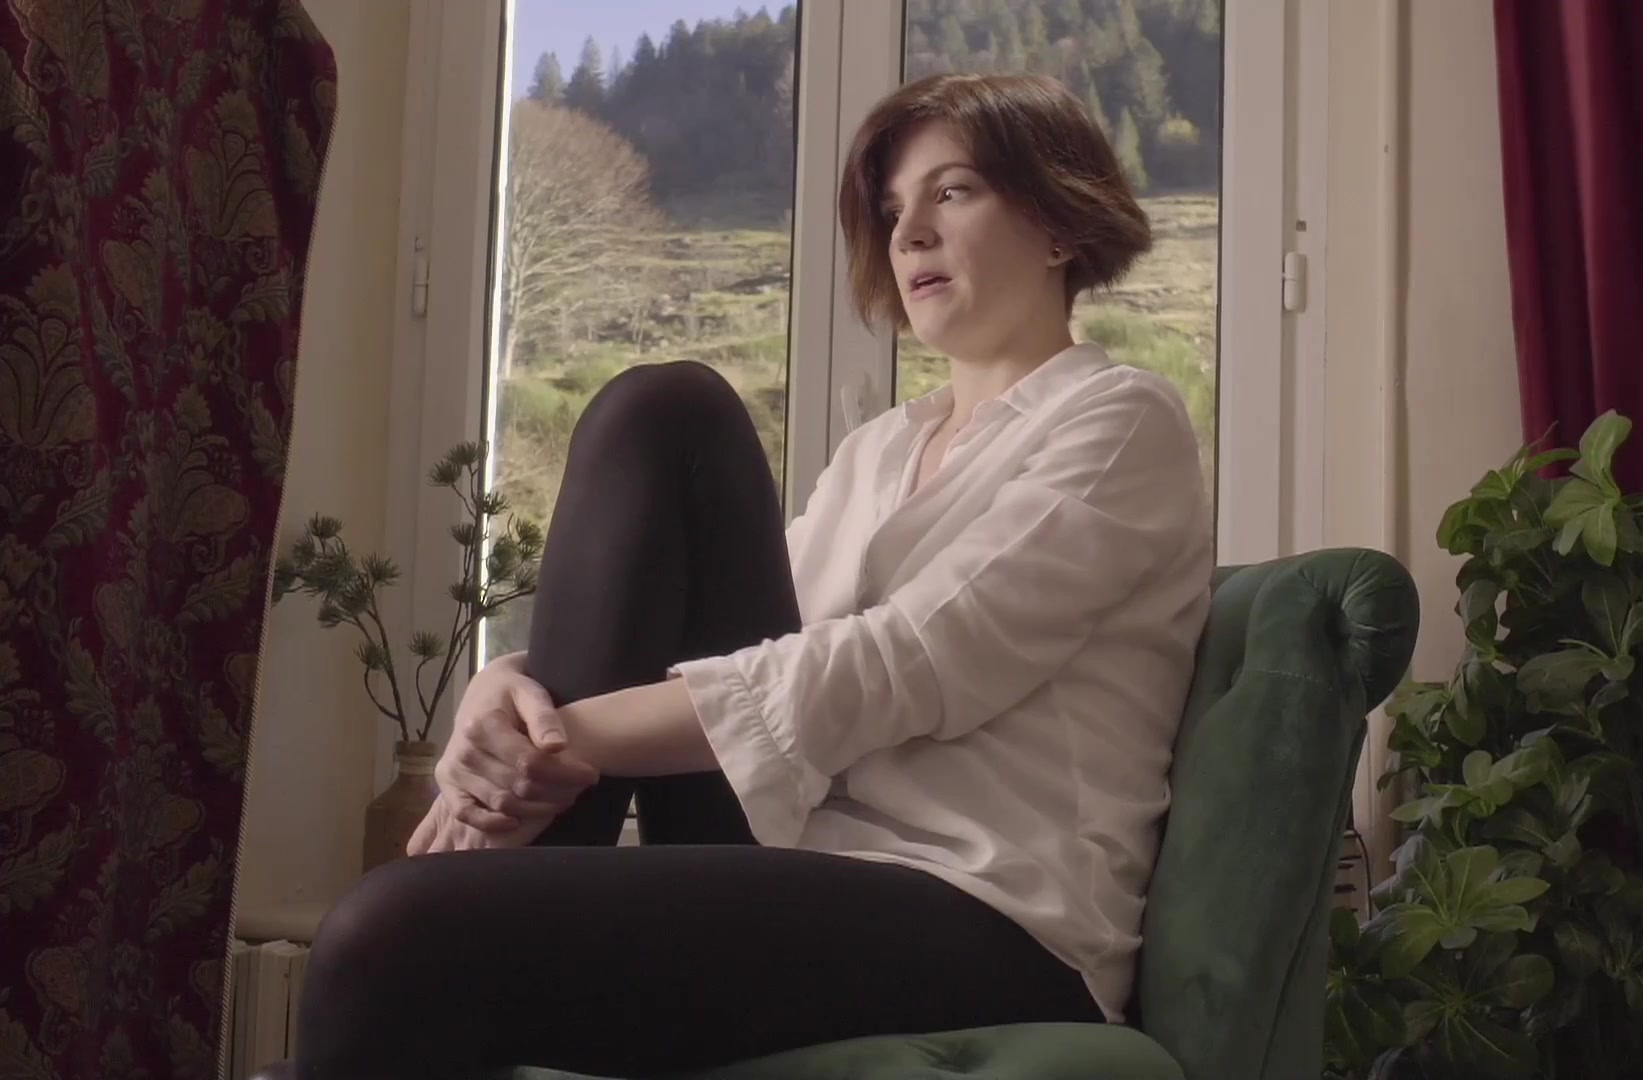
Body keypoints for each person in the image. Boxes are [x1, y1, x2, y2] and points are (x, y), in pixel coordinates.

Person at [288, 71, 1213, 1080]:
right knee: (663, 415)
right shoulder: (877, 454)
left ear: (1059, 223)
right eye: (893, 210)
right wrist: (501, 690)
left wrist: (557, 737)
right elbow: (757, 661)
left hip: (990, 915)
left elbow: (907, 662)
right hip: (806, 852)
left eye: (953, 192)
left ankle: (480, 871)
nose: (909, 235)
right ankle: (488, 867)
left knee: (391, 932)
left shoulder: (1121, 420)